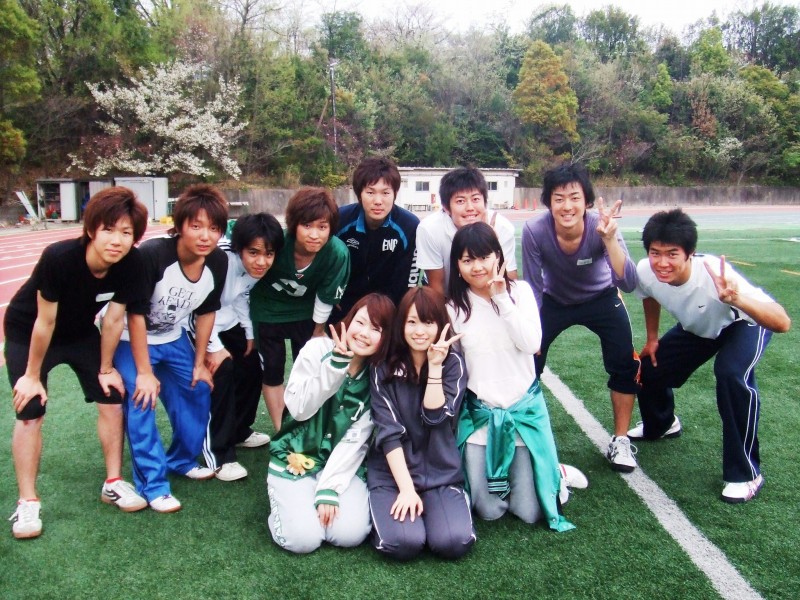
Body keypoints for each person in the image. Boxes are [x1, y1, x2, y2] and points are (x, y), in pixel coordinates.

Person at [5, 187, 150, 539]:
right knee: (30, 410)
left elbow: (113, 319)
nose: (117, 240)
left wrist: (106, 368)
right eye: (108, 229)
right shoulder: (60, 258)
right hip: (30, 330)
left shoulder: (132, 263)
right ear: (90, 229)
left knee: (111, 396)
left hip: (80, 332)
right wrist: (31, 376)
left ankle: (113, 482)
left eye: (126, 232)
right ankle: (28, 502)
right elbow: (45, 322)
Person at [630, 209, 791, 503]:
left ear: (690, 253)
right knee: (648, 367)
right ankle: (662, 423)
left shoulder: (715, 272)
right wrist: (652, 338)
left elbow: (782, 322)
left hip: (743, 323)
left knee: (731, 373)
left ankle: (746, 474)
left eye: (672, 254)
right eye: (655, 253)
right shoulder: (645, 270)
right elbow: (649, 294)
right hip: (699, 328)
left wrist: (736, 298)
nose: (662, 263)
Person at [448, 222, 576, 532]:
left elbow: (532, 344)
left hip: (523, 413)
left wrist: (501, 299)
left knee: (530, 512)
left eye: (484, 257)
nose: (477, 267)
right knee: (488, 511)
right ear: (458, 266)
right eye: (467, 260)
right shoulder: (454, 307)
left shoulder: (521, 293)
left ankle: (556, 472)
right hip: (482, 417)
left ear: (498, 256)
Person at [114, 184, 229, 513]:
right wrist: (144, 373)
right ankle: (153, 485)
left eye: (214, 228)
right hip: (130, 338)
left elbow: (206, 312)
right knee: (143, 397)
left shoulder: (217, 261)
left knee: (199, 387)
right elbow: (135, 315)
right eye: (196, 226)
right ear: (179, 226)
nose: (205, 236)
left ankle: (180, 459)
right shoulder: (153, 254)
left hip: (173, 337)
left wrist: (199, 362)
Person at [521, 163, 640, 472]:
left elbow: (628, 282)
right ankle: (523, 434)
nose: (567, 206)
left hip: (601, 297)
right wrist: (533, 331)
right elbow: (533, 287)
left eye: (574, 197)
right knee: (527, 359)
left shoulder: (602, 225)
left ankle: (621, 439)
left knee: (624, 362)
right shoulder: (534, 230)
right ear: (548, 202)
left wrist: (610, 239)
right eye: (558, 198)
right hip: (555, 301)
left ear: (586, 201)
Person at [266, 293, 395, 554]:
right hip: (294, 455)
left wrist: (329, 488)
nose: (364, 334)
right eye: (360, 322)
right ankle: (287, 502)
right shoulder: (318, 349)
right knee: (303, 540)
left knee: (349, 534)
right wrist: (335, 367)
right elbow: (298, 409)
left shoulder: (376, 377)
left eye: (376, 329)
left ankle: (312, 494)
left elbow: (357, 439)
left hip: (340, 464)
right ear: (349, 320)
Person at [367, 287, 475, 560]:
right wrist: (406, 489)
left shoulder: (453, 364)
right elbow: (389, 433)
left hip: (440, 472)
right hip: (393, 475)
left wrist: (435, 367)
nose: (419, 331)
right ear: (401, 324)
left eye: (428, 322)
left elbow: (435, 418)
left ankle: (438, 507)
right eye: (412, 321)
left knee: (453, 542)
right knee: (403, 544)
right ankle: (394, 510)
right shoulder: (382, 367)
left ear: (440, 325)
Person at [249, 187, 350, 430]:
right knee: (272, 370)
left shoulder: (336, 252)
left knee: (307, 369)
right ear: (294, 224)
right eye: (307, 225)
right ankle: (281, 430)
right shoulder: (277, 242)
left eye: (322, 227)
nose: (314, 234)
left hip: (306, 312)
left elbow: (326, 296)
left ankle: (304, 428)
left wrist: (318, 331)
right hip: (268, 309)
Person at [194, 213, 285, 482]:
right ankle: (220, 453)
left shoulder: (256, 269)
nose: (261, 261)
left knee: (253, 366)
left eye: (268, 254)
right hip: (198, 322)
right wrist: (212, 347)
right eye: (253, 253)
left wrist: (249, 334)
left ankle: (238, 429)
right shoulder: (219, 260)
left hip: (227, 318)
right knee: (222, 371)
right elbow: (199, 308)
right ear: (239, 249)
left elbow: (241, 296)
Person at [333, 157, 420, 322]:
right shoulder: (340, 220)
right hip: (344, 305)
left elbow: (410, 279)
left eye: (386, 193)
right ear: (359, 194)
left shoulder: (409, 226)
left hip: (389, 308)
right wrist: (331, 294)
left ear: (395, 194)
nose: (378, 201)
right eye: (370, 192)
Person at [416, 166, 517, 296]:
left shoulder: (502, 227)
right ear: (446, 207)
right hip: (448, 295)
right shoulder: (429, 229)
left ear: (485, 202)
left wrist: (492, 243)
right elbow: (437, 286)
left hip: (490, 295)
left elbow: (510, 280)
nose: (470, 208)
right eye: (460, 201)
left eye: (475, 199)